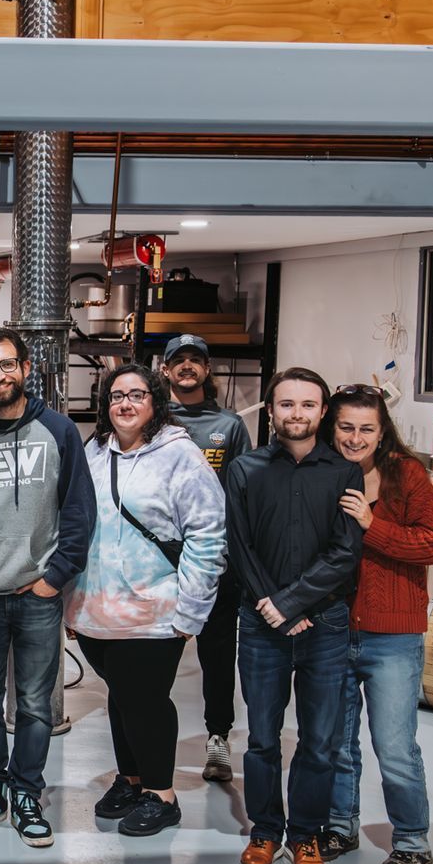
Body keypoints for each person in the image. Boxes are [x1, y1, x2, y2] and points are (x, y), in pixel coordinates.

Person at [0, 327, 97, 848]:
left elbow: (79, 513)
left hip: (37, 594)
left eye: (7, 364)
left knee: (35, 706)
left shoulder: (58, 431)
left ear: (26, 367)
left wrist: (53, 580)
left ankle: (26, 792)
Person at [69, 363, 226, 839]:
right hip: (97, 609)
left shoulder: (181, 457)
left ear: (156, 402)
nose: (126, 403)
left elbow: (207, 535)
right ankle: (132, 779)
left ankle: (162, 794)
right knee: (122, 698)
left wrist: (191, 610)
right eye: (117, 396)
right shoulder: (94, 451)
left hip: (154, 608)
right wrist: (71, 605)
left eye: (138, 394)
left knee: (146, 701)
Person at [224, 366, 364, 864]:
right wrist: (270, 604)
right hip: (262, 625)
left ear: (322, 412)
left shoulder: (345, 473)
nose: (297, 414)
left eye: (308, 405)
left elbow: (345, 551)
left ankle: (305, 835)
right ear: (270, 410)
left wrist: (293, 603)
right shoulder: (244, 470)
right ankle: (265, 832)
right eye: (287, 404)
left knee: (320, 740)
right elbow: (240, 546)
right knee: (262, 736)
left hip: (324, 626)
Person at [320, 385, 433, 864]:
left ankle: (413, 840)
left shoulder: (405, 475)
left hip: (392, 635)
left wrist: (373, 524)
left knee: (394, 745)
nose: (355, 438)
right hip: (333, 628)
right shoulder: (326, 472)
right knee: (335, 741)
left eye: (365, 429)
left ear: (382, 431)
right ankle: (339, 826)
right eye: (346, 427)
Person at [161, 333, 251, 783]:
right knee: (158, 657)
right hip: (163, 563)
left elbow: (242, 495)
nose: (188, 367)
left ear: (207, 370)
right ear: (165, 369)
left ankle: (218, 737)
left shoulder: (229, 426)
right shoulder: (154, 422)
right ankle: (151, 739)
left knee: (218, 654)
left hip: (216, 563)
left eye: (196, 360)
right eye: (180, 360)